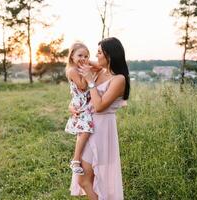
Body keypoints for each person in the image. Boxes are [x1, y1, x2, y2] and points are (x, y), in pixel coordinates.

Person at [70, 37, 130, 200]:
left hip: (102, 129)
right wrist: (71, 106)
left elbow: (99, 106)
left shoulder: (119, 79)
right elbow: (85, 98)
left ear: (109, 55)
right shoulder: (100, 72)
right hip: (88, 126)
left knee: (90, 178)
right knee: (85, 179)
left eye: (98, 53)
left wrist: (90, 81)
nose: (95, 57)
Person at [65, 42, 103, 175]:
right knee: (85, 131)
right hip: (80, 104)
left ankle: (78, 158)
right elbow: (82, 86)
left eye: (86, 56)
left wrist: (87, 63)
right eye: (80, 55)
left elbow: (99, 67)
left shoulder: (84, 66)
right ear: (72, 57)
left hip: (85, 102)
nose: (83, 58)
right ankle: (75, 160)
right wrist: (87, 76)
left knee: (83, 132)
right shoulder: (72, 70)